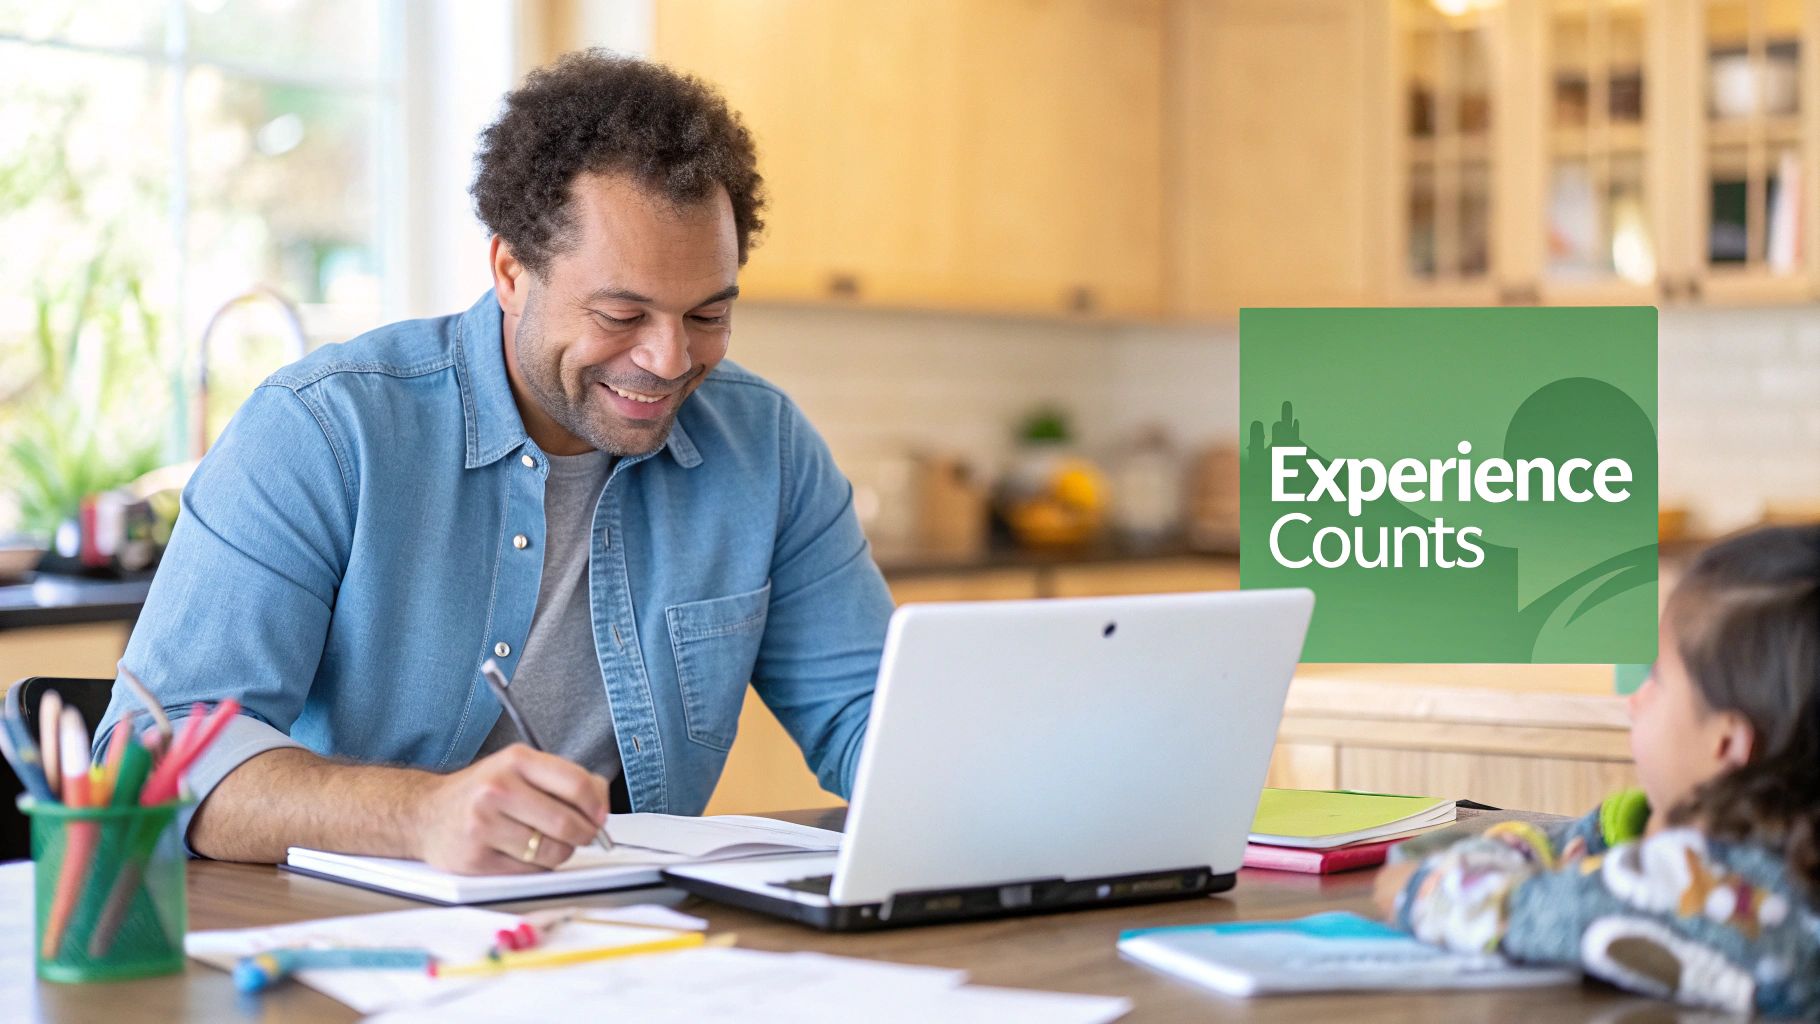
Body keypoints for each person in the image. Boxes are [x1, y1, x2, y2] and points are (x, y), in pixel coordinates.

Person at [94, 51, 894, 875]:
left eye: (707, 313)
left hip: (625, 940)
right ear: (512, 270)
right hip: (339, 945)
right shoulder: (325, 429)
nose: (668, 358)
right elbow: (149, 756)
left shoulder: (765, 446)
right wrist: (419, 816)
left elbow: (874, 716)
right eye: (621, 313)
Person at [1374, 524, 1820, 1015]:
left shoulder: (1733, 893)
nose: (1634, 701)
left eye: (1656, 678)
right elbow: (1595, 848)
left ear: (1728, 743)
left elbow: (1519, 907)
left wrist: (1418, 888)